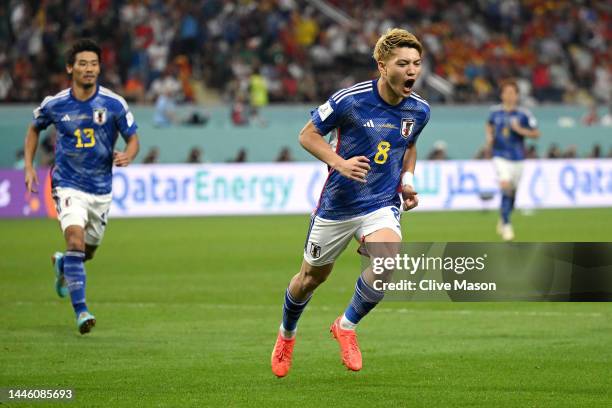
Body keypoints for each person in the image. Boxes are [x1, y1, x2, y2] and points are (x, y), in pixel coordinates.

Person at [270, 28, 430, 377]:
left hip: (381, 202)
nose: (412, 71)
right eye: (403, 63)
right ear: (382, 65)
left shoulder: (419, 110)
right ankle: (287, 335)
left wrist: (407, 182)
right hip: (338, 206)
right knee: (309, 279)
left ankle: (346, 325)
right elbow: (307, 135)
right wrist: (339, 162)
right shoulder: (350, 99)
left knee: (387, 262)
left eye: (417, 63)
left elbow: (409, 145)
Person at [24, 39, 140, 334]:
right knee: (74, 240)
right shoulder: (56, 103)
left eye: (93, 64)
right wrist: (29, 166)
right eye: (83, 63)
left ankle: (64, 264)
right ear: (70, 67)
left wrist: (128, 154)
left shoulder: (114, 104)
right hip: (67, 183)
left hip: (101, 189)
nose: (89, 69)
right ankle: (82, 311)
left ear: (99, 68)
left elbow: (133, 138)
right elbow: (34, 128)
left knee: (86, 253)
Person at [485, 79, 539, 241]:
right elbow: (489, 125)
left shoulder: (524, 114)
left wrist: (520, 130)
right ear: (501, 95)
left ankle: (504, 216)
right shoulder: (495, 113)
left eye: (512, 93)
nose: (509, 95)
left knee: (512, 193)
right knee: (505, 186)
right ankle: (507, 226)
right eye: (506, 92)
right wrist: (489, 137)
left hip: (518, 158)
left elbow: (536, 134)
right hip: (500, 156)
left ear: (517, 95)